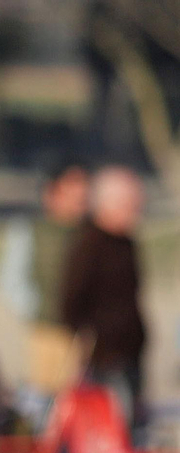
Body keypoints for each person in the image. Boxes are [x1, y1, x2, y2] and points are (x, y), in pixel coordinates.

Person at [62, 166, 147, 426]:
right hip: (104, 358)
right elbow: (71, 300)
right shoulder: (89, 245)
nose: (135, 212)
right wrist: (90, 337)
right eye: (129, 204)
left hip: (130, 352)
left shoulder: (126, 242)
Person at [25, 162, 88, 396]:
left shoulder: (91, 233)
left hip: (84, 330)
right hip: (47, 328)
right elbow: (15, 279)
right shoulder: (34, 231)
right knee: (45, 394)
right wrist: (37, 309)